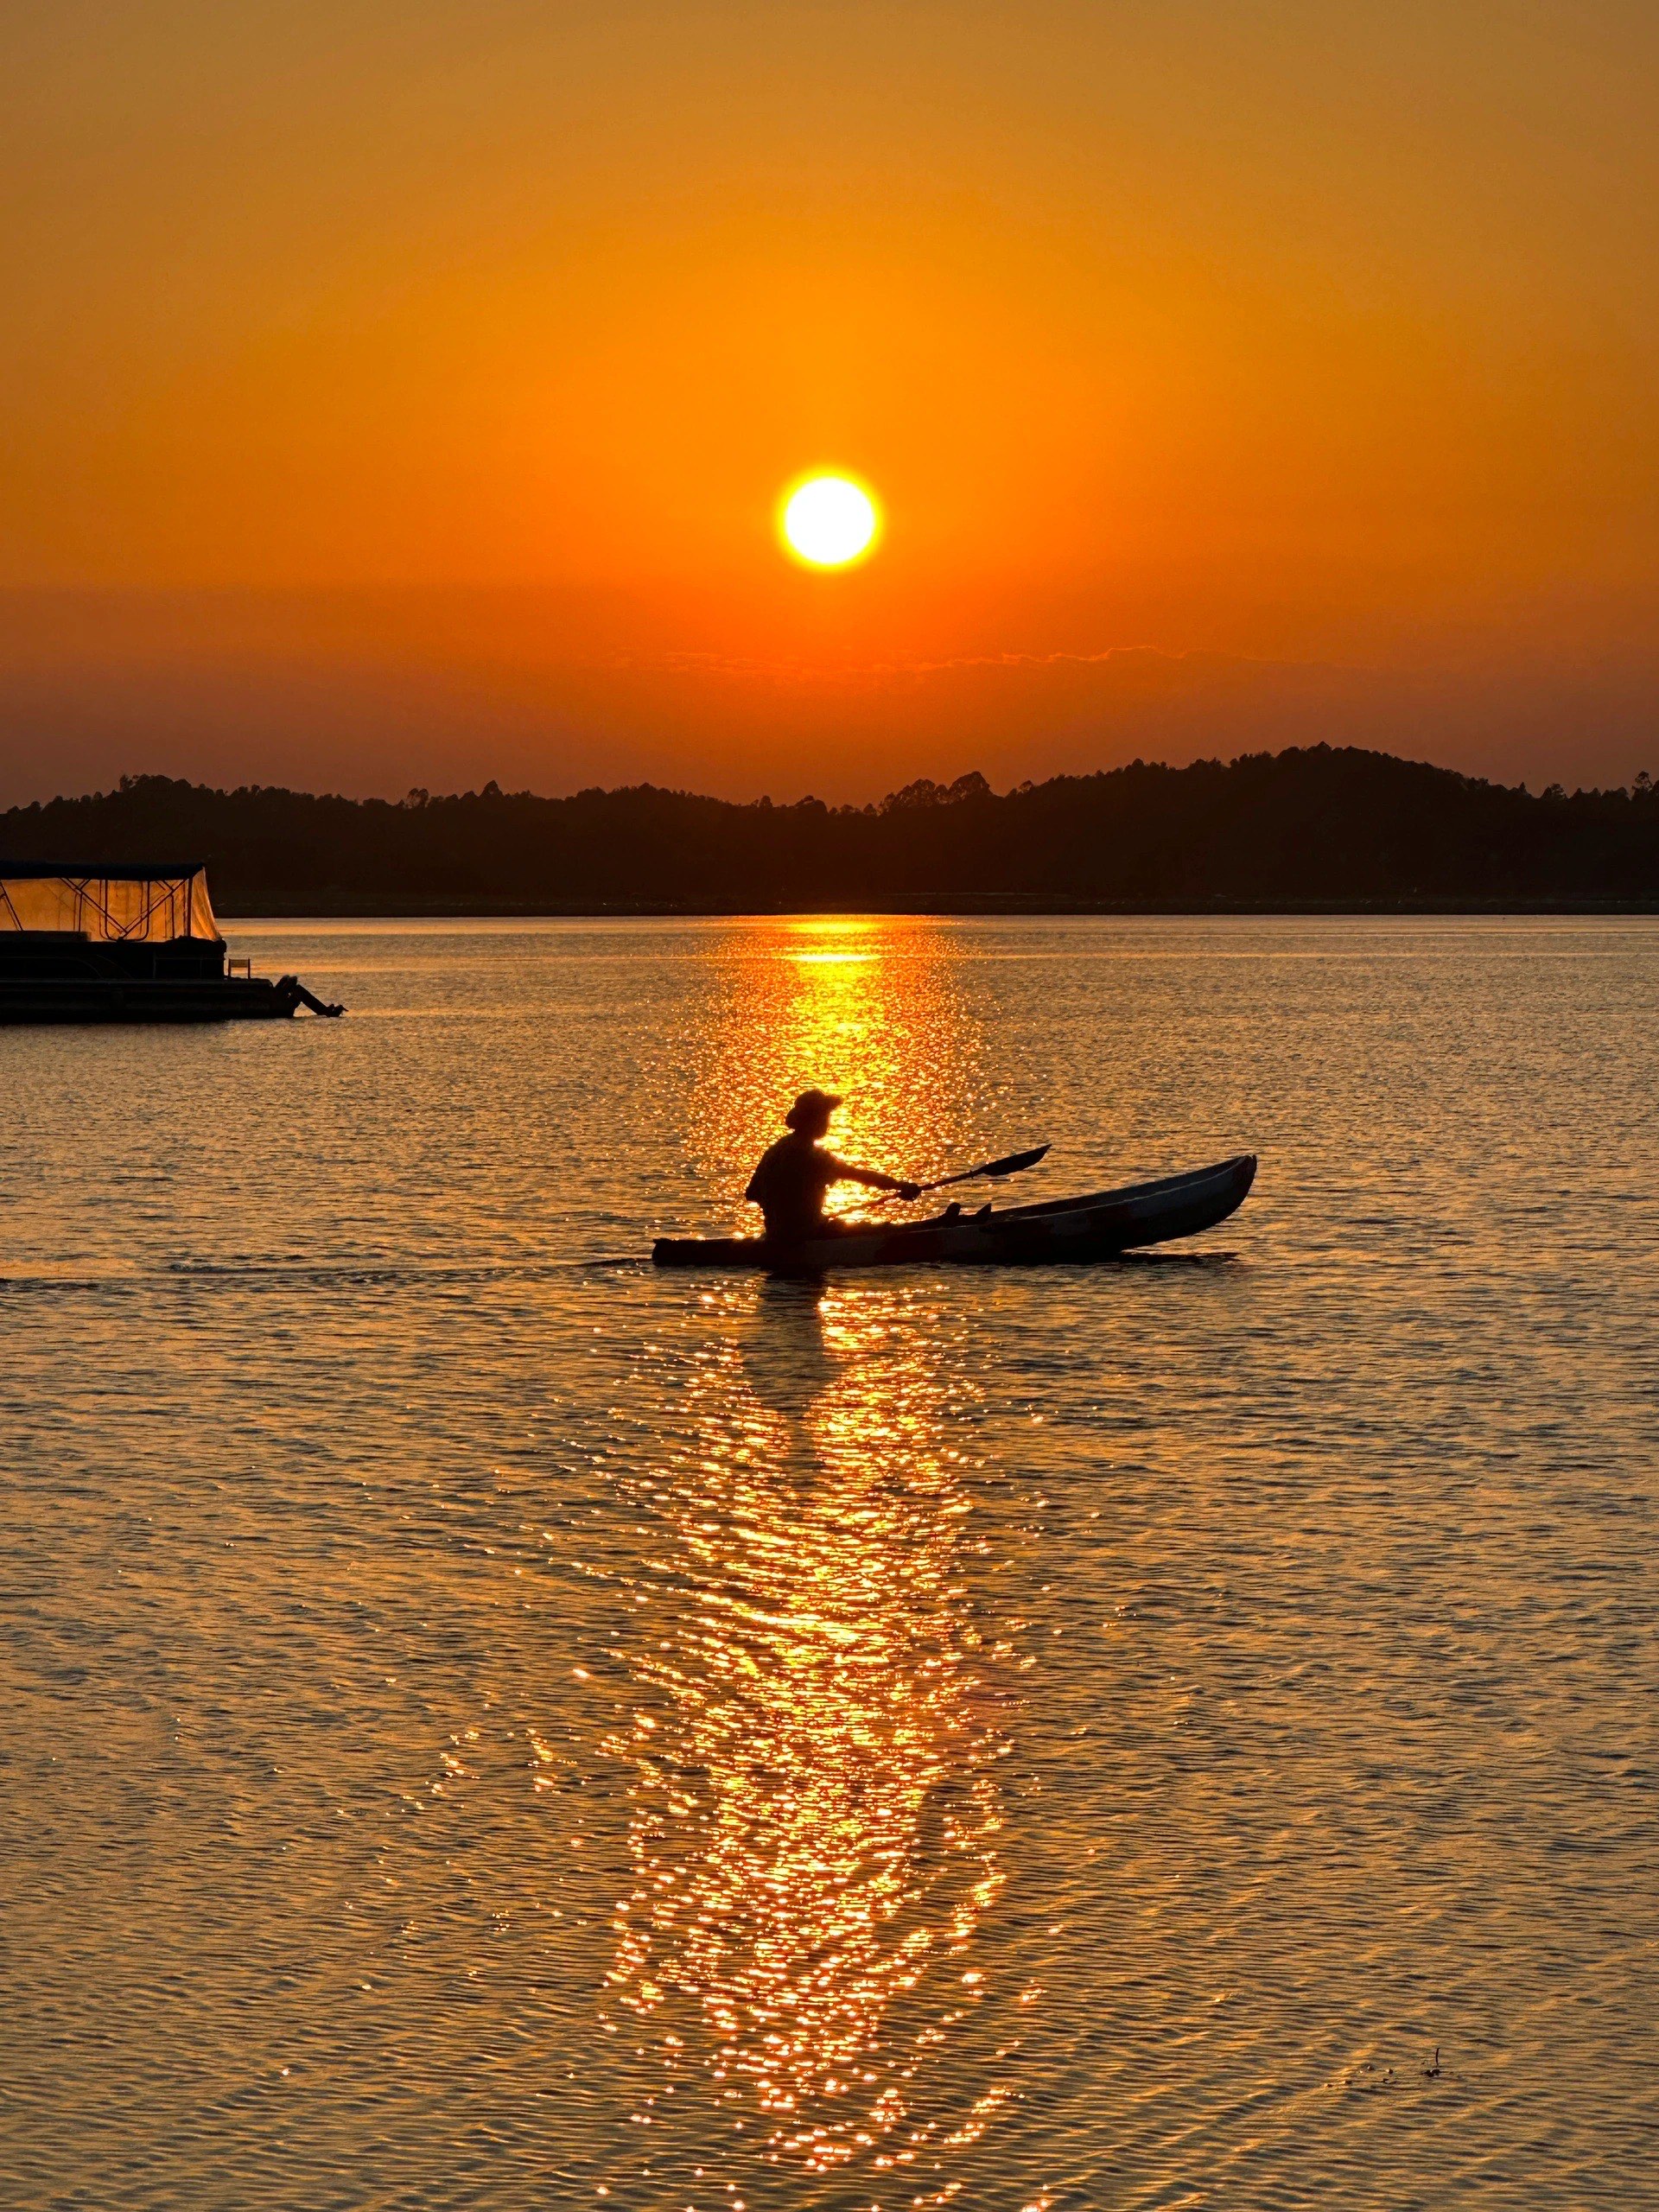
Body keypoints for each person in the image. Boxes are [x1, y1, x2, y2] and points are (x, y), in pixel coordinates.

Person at [746, 1090, 921, 1243]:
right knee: (879, 1230)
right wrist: (900, 1186)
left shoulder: (775, 1150)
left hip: (775, 1236)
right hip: (806, 1237)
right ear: (814, 1120)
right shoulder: (813, 1155)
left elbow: (751, 1193)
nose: (828, 1122)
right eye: (825, 1116)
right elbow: (858, 1175)